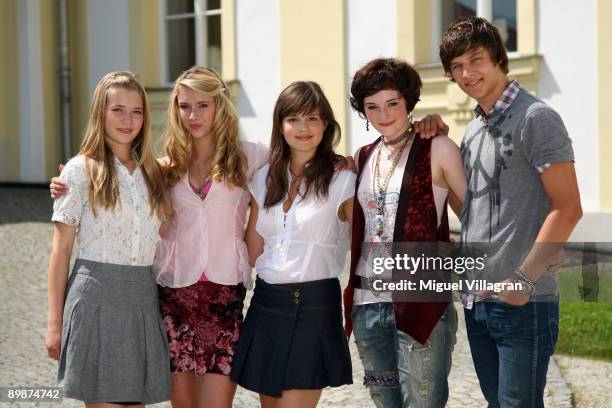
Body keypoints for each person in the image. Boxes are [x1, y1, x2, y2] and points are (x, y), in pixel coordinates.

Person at [439, 17, 582, 408]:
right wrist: (436, 141)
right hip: (478, 300)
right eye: (457, 66)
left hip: (523, 303)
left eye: (476, 59)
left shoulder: (536, 118)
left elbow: (568, 207)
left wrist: (525, 278)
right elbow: (473, 207)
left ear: (499, 59)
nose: (468, 73)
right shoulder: (473, 130)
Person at [343, 58, 468, 408]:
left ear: (408, 101)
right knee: (385, 401)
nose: (383, 114)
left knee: (423, 402)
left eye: (392, 103)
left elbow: (474, 214)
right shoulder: (364, 155)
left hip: (419, 304)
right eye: (372, 107)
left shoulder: (438, 148)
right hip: (368, 307)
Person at [45, 71, 172, 406]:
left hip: (142, 302)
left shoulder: (156, 173)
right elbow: (61, 251)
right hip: (94, 301)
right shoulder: (78, 170)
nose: (128, 120)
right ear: (99, 113)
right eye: (117, 110)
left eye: (137, 111)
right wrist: (54, 325)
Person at [230, 81, 355, 408]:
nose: (303, 128)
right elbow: (253, 249)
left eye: (313, 118)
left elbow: (367, 246)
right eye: (294, 119)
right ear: (280, 125)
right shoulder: (264, 177)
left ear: (326, 125)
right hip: (266, 304)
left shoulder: (344, 180)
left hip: (315, 306)